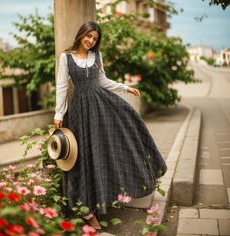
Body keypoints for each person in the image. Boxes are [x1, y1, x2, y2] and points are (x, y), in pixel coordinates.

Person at [54, 21, 167, 229]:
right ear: (81, 35)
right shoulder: (66, 57)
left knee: (105, 148)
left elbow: (103, 81)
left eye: (95, 39)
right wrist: (58, 113)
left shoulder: (96, 57)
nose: (90, 41)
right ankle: (87, 210)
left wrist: (125, 88)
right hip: (79, 113)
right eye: (88, 36)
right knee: (82, 158)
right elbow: (62, 87)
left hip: (100, 108)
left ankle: (101, 199)